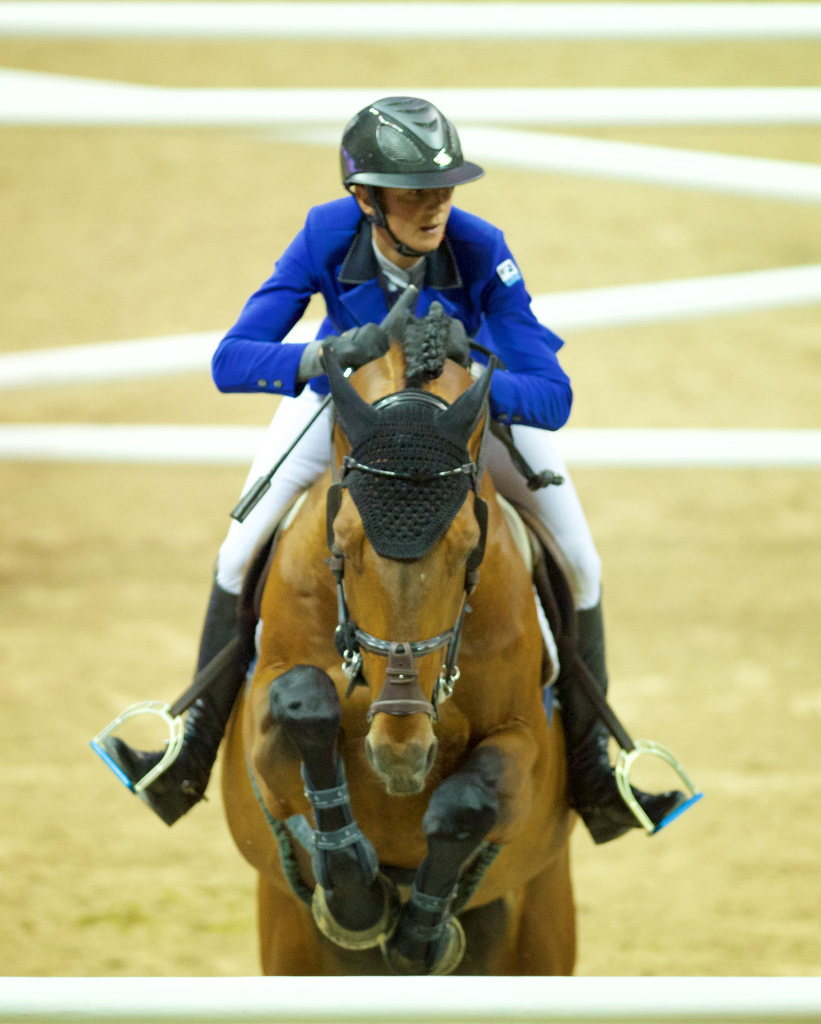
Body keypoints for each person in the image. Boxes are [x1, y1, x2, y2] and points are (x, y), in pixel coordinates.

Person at [103, 96, 683, 843]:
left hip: (460, 422)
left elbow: (552, 394)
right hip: (351, 415)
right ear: (365, 198)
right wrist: (325, 357)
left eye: (443, 190)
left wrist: (467, 369)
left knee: (584, 561)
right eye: (414, 194)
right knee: (238, 548)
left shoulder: (480, 247)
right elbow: (231, 360)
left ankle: (599, 774)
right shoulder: (324, 234)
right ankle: (185, 753)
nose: (435, 208)